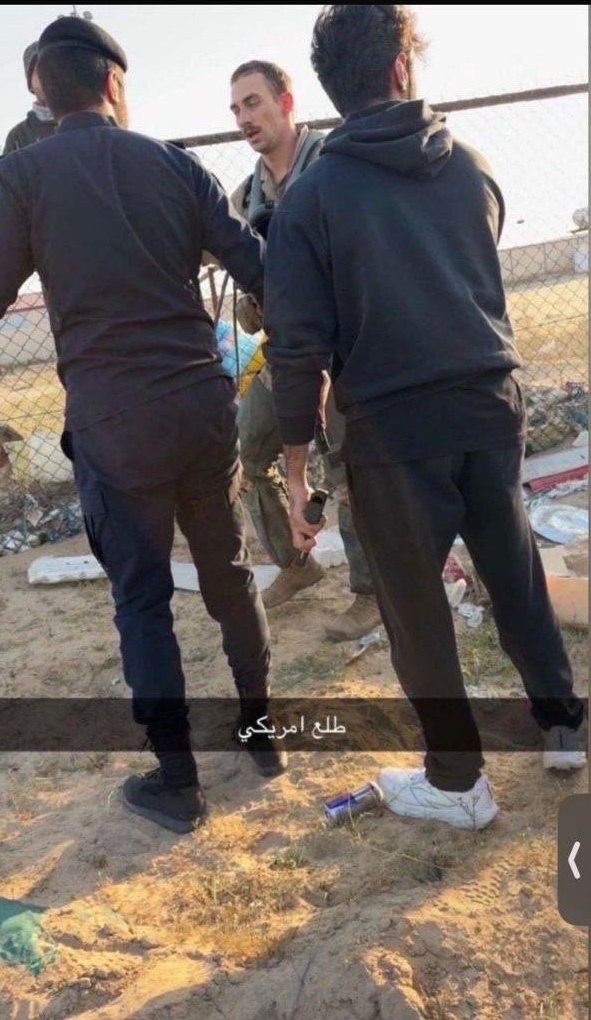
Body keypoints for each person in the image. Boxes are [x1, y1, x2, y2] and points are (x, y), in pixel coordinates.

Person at [264, 4, 586, 830]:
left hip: (393, 430)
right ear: (401, 67)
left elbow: (297, 349)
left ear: (331, 87)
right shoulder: (472, 167)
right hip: (489, 402)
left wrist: (296, 470)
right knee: (512, 567)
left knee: (415, 607)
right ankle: (562, 724)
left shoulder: (310, 199)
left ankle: (457, 780)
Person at [0, 16, 286, 835]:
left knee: (142, 600)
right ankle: (263, 737)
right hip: (201, 407)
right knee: (229, 574)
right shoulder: (175, 164)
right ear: (114, 82)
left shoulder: (22, 176)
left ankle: (178, 782)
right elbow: (258, 268)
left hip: (113, 422)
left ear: (44, 94)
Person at [229, 60, 381, 640]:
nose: (244, 118)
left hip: (343, 351)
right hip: (287, 355)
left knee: (348, 470)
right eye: (236, 109)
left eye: (253, 102)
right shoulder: (247, 196)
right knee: (248, 451)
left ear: (286, 102)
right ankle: (297, 564)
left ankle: (369, 593)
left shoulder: (331, 165)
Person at [3, 42, 56, 154]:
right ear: (30, 83)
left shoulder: (81, 123)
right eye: (40, 71)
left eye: (53, 70)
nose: (48, 77)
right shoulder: (18, 136)